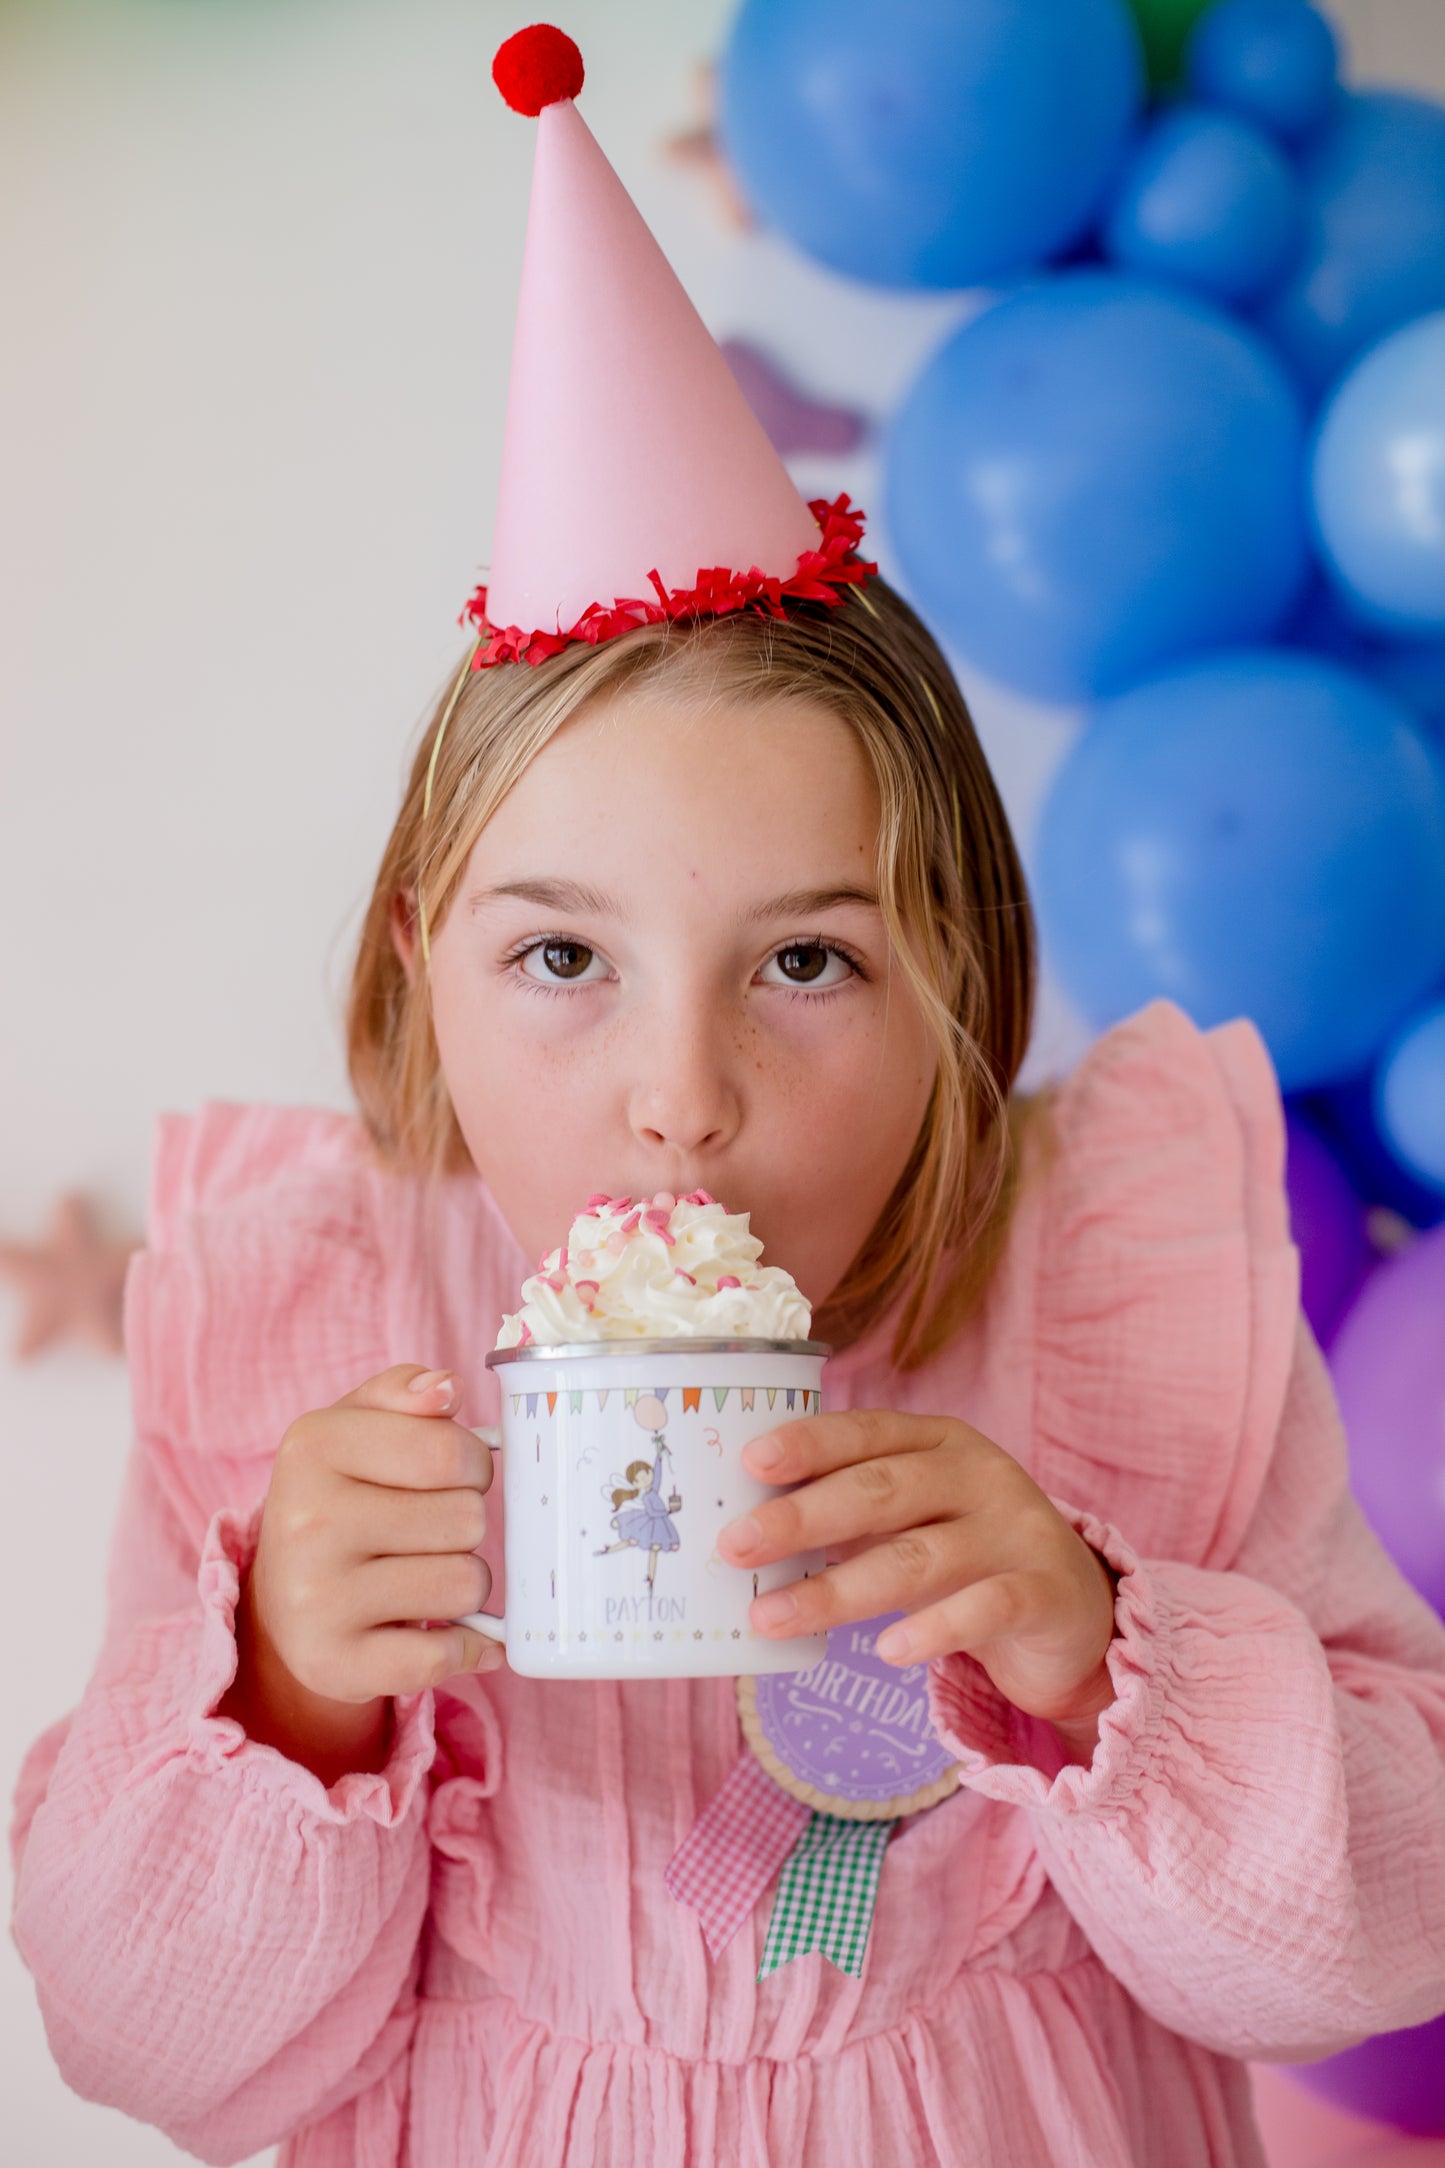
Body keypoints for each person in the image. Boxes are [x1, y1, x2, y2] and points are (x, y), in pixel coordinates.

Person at [12, 25, 1445, 2168]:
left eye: (804, 960)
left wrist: (1092, 1653)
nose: (679, 1098)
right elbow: (147, 2049)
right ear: (426, 963)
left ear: (951, 960)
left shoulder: (1121, 1284)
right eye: (561, 961)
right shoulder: (301, 1333)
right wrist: (292, 1698)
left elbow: (1376, 1948)